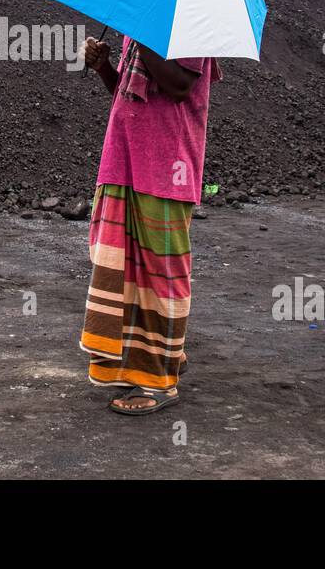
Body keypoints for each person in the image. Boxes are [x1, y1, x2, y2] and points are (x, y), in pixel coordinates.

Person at [78, 33, 221, 415]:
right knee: (121, 270)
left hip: (165, 168)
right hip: (123, 160)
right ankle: (163, 355)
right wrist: (103, 66)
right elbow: (126, 91)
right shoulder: (137, 28)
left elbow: (178, 85)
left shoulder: (193, 24)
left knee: (160, 272)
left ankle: (158, 381)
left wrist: (143, 36)